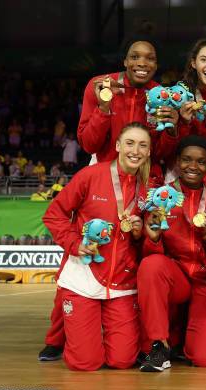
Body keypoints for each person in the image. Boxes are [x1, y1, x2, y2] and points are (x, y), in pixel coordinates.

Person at [42, 122, 151, 371]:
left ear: (148, 152)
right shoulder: (91, 175)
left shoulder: (147, 188)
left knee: (122, 361)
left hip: (122, 282)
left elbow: (149, 238)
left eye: (143, 145)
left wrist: (138, 232)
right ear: (117, 146)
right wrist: (74, 243)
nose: (135, 150)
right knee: (85, 362)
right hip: (83, 277)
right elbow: (54, 214)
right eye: (130, 143)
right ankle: (82, 336)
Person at [137, 136, 206, 372]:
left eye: (201, 162)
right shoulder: (161, 196)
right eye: (187, 160)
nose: (193, 166)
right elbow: (149, 254)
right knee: (151, 265)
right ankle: (160, 345)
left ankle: (193, 338)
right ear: (177, 162)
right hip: (176, 276)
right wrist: (154, 238)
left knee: (204, 357)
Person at [77, 38, 179, 167]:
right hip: (105, 173)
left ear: (156, 65)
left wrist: (171, 131)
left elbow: (160, 154)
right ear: (125, 61)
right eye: (135, 57)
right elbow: (89, 145)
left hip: (145, 177)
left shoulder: (162, 97)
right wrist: (103, 108)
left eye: (150, 58)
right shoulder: (100, 86)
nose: (142, 63)